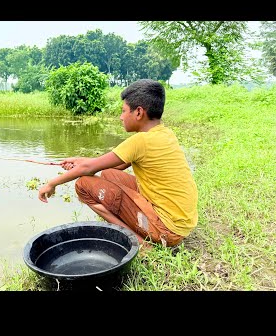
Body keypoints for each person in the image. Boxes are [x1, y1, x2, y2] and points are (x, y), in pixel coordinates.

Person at [38, 79, 198, 248]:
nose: (121, 117)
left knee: (83, 184)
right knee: (109, 174)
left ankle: (140, 244)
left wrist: (51, 184)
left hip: (167, 231)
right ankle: (142, 231)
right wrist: (78, 161)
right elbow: (112, 165)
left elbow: (88, 168)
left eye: (123, 111)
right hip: (180, 223)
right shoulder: (164, 133)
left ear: (138, 112)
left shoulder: (140, 141)